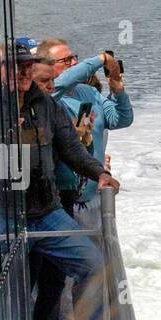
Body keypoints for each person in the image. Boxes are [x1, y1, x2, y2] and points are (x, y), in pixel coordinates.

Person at [17, 43, 120, 320]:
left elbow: (72, 147)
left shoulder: (48, 105)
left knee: (93, 267)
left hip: (48, 211)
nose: (50, 86)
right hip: (7, 214)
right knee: (3, 287)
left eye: (51, 80)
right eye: (42, 81)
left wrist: (99, 172)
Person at [35, 40, 131, 228]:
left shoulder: (89, 92)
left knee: (102, 252)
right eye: (66, 60)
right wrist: (102, 59)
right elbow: (64, 81)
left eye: (74, 58)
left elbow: (121, 119)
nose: (73, 64)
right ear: (46, 68)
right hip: (65, 199)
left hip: (96, 194)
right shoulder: (48, 98)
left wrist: (118, 91)